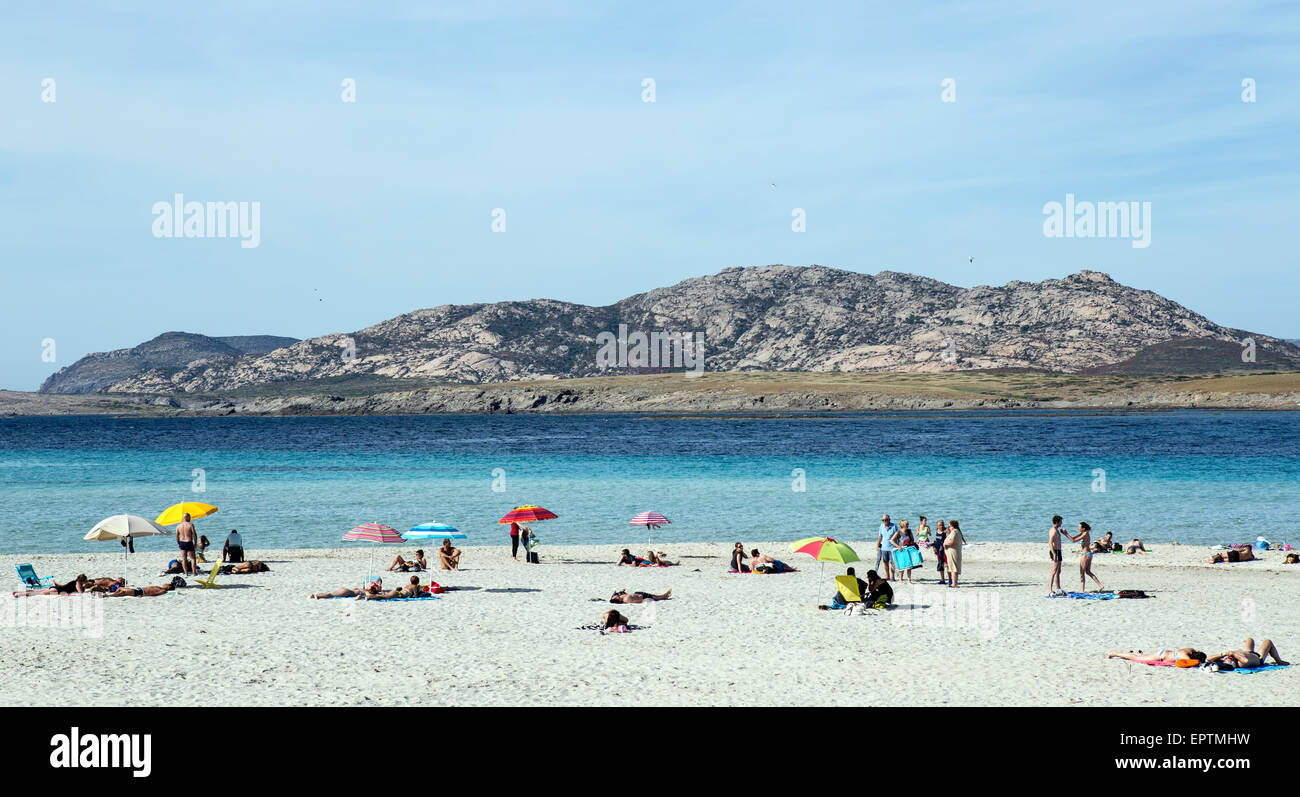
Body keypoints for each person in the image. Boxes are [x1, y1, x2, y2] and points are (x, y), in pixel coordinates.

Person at [1066, 521, 1105, 592]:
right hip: (1088, 554)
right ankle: (1100, 585)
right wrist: (1066, 534)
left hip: (1086, 554)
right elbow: (1073, 538)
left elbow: (1073, 540)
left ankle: (1082, 590)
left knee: (1082, 573)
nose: (1078, 528)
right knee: (1088, 571)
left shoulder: (1085, 533)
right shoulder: (1083, 533)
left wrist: (1065, 533)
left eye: (1079, 527)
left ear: (1083, 528)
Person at [1206, 638, 1288, 669]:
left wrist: (1223, 654)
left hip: (1247, 652)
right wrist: (1234, 654)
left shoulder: (1225, 659)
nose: (1227, 658)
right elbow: (1245, 660)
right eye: (1228, 659)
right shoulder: (1240, 663)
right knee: (1268, 642)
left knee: (1250, 639)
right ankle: (1279, 661)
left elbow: (1208, 659)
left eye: (1227, 658)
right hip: (1258, 657)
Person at [12, 574, 90, 597]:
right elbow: (80, 592)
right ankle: (19, 594)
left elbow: (66, 586)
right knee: (36, 593)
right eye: (85, 580)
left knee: (36, 591)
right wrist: (85, 586)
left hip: (56, 588)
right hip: (57, 590)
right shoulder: (78, 583)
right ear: (82, 580)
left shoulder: (74, 582)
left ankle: (19, 592)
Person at [1108, 648, 1207, 665]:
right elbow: (1194, 663)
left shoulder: (1190, 650)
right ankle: (1115, 653)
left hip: (1164, 652)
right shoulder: (1186, 657)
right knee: (1136, 658)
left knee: (1143, 656)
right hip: (1161, 657)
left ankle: (1124, 653)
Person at [360, 575, 429, 601]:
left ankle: (364, 596)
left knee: (383, 595)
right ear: (417, 582)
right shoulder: (414, 586)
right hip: (398, 594)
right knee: (383, 597)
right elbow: (416, 596)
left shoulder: (408, 585)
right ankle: (368, 597)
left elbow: (408, 593)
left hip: (397, 592)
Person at [944, 519, 967, 587]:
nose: (949, 528)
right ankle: (955, 583)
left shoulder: (954, 532)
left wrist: (945, 544)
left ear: (952, 526)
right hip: (955, 551)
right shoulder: (958, 532)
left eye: (949, 526)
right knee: (954, 568)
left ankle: (954, 583)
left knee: (953, 568)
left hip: (953, 552)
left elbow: (951, 542)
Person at [1048, 515, 1065, 595]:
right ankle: (1050, 590)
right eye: (1061, 521)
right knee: (1054, 571)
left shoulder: (1056, 530)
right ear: (1057, 522)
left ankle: (1058, 588)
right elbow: (1050, 543)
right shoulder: (1053, 531)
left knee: (1058, 571)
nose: (1061, 523)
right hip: (1055, 551)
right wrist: (1054, 554)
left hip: (1058, 551)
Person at [877, 514, 897, 581]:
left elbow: (898, 536)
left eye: (886, 520)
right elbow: (880, 536)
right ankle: (887, 576)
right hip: (884, 547)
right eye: (883, 520)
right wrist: (877, 545)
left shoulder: (894, 526)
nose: (884, 521)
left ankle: (893, 576)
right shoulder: (881, 526)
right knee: (885, 562)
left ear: (889, 520)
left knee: (892, 562)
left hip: (892, 548)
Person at [105, 582, 177, 598]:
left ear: (168, 587)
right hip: (137, 589)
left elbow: (154, 594)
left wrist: (143, 595)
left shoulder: (163, 591)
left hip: (139, 592)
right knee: (119, 588)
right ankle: (111, 594)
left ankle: (109, 596)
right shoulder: (160, 587)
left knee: (123, 592)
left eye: (167, 584)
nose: (165, 584)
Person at [933, 520, 948, 585]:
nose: (941, 526)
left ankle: (950, 579)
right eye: (940, 525)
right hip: (938, 549)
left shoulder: (946, 531)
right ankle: (942, 580)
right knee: (940, 564)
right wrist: (934, 547)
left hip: (944, 549)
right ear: (937, 526)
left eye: (942, 525)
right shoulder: (937, 530)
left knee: (947, 564)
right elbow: (935, 539)